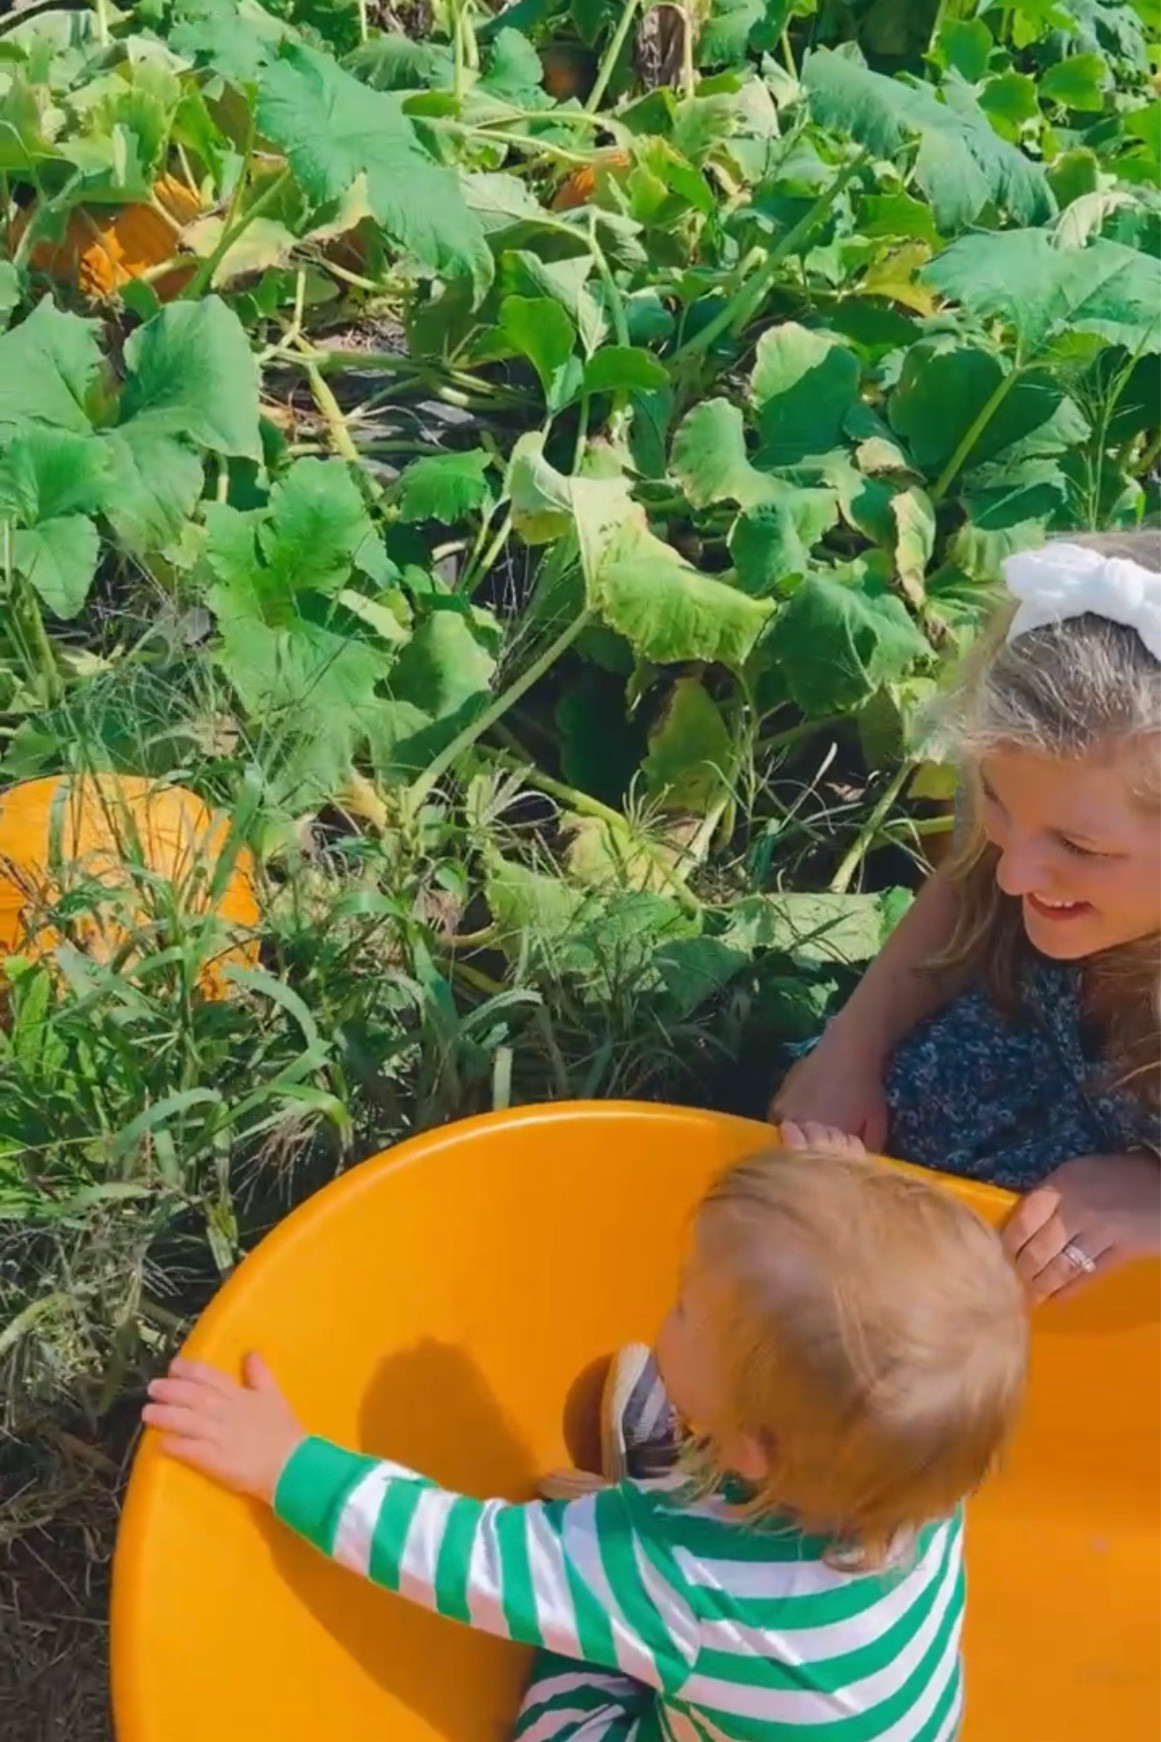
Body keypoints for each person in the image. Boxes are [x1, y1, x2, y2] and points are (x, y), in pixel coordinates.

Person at [143, 1139, 1028, 1742]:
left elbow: (464, 1554)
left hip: (697, 1656)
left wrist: (285, 1463)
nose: (666, 1307)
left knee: (574, 1676)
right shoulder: (917, 1471)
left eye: (685, 1308)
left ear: (755, 1448)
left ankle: (638, 1528)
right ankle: (678, 1473)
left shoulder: (685, 1581)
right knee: (674, 1604)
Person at [775, 533, 1161, 1304]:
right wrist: (851, 1048)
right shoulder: (1033, 841)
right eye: (997, 804)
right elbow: (966, 887)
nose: (1016, 872)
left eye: (1078, 848)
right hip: (995, 1096)